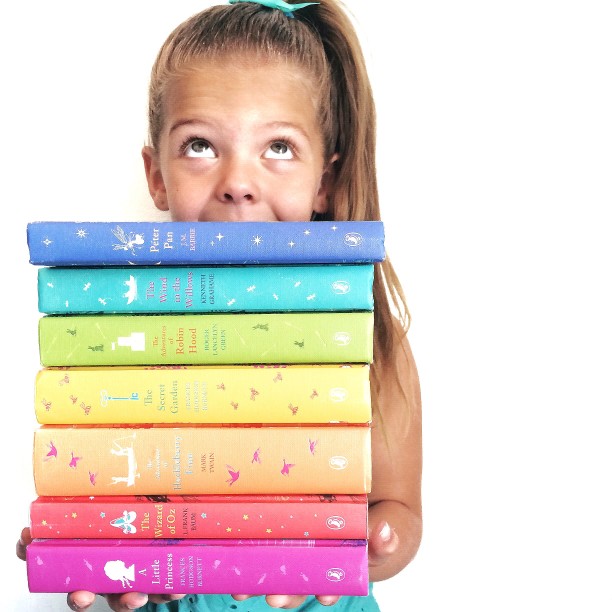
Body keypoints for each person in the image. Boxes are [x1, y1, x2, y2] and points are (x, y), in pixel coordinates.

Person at [16, 0, 422, 609]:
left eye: (278, 147)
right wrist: (89, 539)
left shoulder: (363, 335)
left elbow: (400, 511)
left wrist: (378, 543)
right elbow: (112, 472)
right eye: (201, 144)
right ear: (156, 176)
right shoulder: (121, 331)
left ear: (325, 180)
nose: (238, 179)